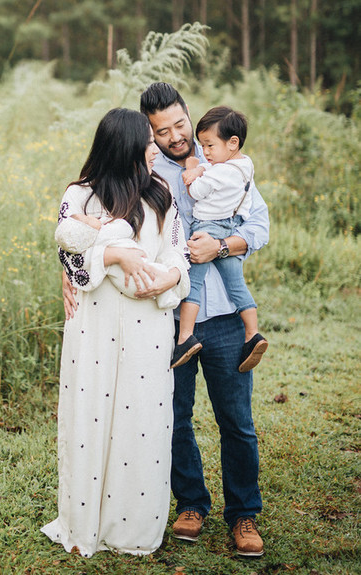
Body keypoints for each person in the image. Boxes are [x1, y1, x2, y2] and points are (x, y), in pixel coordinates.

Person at [63, 83, 269, 558]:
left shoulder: (226, 161)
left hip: (220, 317)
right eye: (162, 131)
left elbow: (258, 227)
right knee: (171, 418)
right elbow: (95, 217)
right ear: (148, 136)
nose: (175, 136)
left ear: (188, 116)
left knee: (236, 420)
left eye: (180, 124)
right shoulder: (147, 175)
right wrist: (68, 269)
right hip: (162, 321)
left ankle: (243, 515)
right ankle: (191, 503)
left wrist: (220, 246)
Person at [42, 107, 190, 558]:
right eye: (146, 142)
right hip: (94, 328)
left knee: (142, 423)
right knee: (91, 419)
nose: (154, 149)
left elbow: (178, 254)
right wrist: (114, 258)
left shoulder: (161, 193)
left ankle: (133, 529)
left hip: (148, 328)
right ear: (122, 147)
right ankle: (85, 523)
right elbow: (68, 254)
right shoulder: (80, 196)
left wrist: (171, 279)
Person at [171, 105, 268, 373]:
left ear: (233, 142)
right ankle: (253, 333)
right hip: (232, 226)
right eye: (203, 146)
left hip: (208, 230)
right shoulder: (244, 165)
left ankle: (184, 337)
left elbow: (197, 192)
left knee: (194, 282)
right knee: (237, 285)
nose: (206, 152)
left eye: (209, 146)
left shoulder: (217, 169)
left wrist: (194, 170)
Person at [56, 212, 189, 309]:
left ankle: (165, 297)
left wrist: (174, 275)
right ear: (87, 231)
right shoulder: (102, 233)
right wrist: (118, 254)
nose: (91, 217)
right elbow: (125, 228)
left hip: (123, 282)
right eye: (88, 219)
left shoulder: (90, 240)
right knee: (152, 275)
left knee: (150, 280)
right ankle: (166, 299)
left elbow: (174, 245)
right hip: (128, 278)